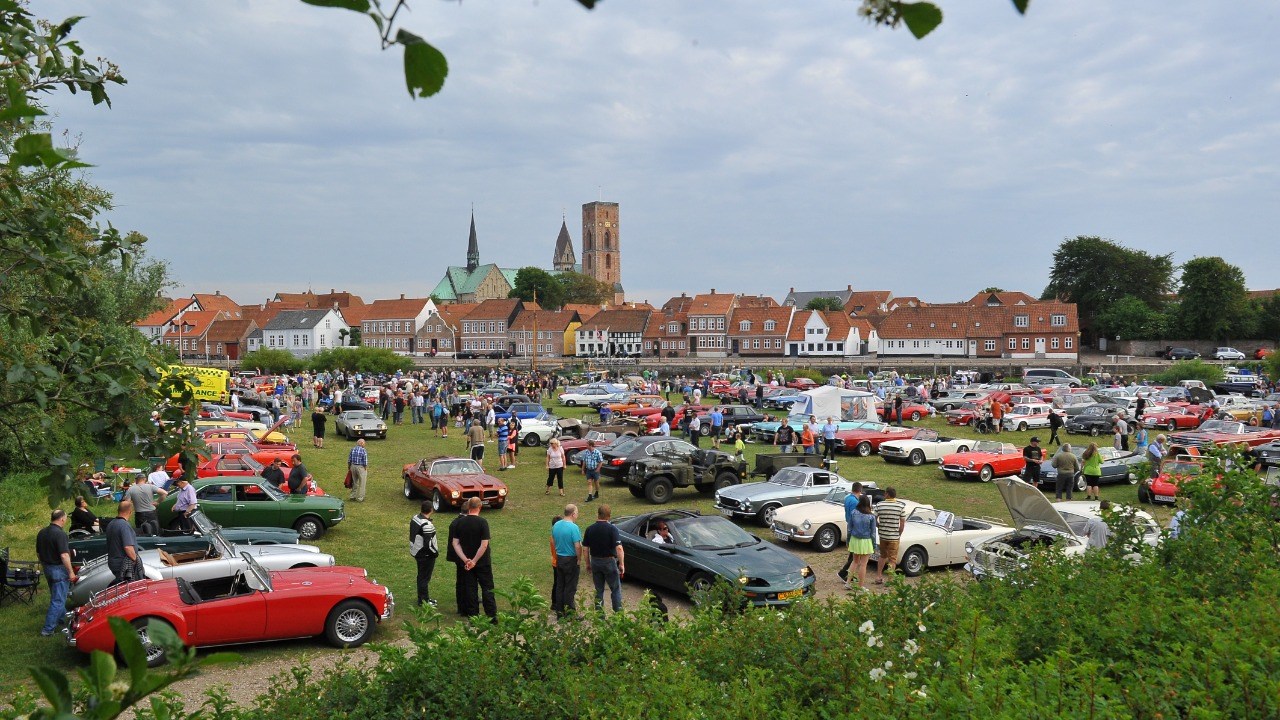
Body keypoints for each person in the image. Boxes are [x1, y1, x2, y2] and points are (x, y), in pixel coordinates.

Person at [450, 497, 497, 621]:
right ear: (480, 507)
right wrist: (474, 560)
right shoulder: (482, 522)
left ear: (469, 507)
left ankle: (473, 616)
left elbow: (455, 543)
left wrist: (466, 560)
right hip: (482, 562)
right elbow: (484, 544)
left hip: (466, 563)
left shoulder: (459, 522)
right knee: (487, 588)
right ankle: (491, 616)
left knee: (470, 589)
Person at [36, 509, 77, 636]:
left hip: (47, 567)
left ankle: (62, 620)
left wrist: (43, 564)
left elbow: (38, 553)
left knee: (59, 596)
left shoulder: (42, 532)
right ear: (62, 519)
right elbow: (64, 555)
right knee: (58, 600)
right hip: (58, 569)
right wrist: (70, 572)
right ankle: (48, 630)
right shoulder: (60, 534)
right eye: (65, 519)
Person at [581, 503, 625, 613]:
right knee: (615, 589)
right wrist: (621, 564)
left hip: (595, 561)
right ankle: (618, 613)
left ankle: (600, 615)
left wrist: (587, 564)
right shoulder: (612, 529)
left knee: (599, 590)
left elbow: (585, 549)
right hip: (609, 561)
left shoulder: (589, 529)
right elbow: (619, 548)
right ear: (609, 516)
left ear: (598, 514)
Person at [551, 504, 583, 618]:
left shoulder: (556, 525)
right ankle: (570, 613)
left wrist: (557, 552)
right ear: (573, 514)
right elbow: (577, 546)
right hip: (570, 559)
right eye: (577, 512)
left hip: (560, 558)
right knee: (570, 587)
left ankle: (559, 612)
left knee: (560, 585)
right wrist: (579, 559)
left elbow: (553, 541)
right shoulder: (574, 528)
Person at [845, 495, 879, 591]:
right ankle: (860, 586)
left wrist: (848, 540)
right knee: (863, 564)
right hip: (866, 541)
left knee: (854, 561)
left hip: (855, 539)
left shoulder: (853, 512)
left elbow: (849, 528)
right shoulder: (871, 516)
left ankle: (848, 582)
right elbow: (873, 532)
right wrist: (874, 544)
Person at [873, 487, 905, 584]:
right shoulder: (900, 507)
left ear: (887, 494)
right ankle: (890, 580)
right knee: (892, 559)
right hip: (894, 537)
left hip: (883, 536)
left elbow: (874, 518)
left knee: (882, 556)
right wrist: (899, 533)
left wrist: (879, 526)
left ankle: (878, 576)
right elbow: (902, 523)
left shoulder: (879, 505)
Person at [409, 501, 439, 606]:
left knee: (421, 576)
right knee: (424, 578)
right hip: (425, 555)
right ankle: (424, 601)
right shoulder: (427, 524)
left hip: (416, 551)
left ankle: (421, 599)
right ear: (431, 510)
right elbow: (428, 544)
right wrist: (435, 553)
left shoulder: (415, 518)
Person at [837, 482, 867, 582]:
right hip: (854, 528)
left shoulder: (847, 498)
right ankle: (844, 572)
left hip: (849, 525)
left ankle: (847, 573)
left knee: (853, 553)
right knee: (854, 554)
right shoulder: (855, 502)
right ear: (860, 490)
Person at [105, 500, 140, 586]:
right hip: (123, 564)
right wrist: (136, 560)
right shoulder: (124, 525)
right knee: (128, 587)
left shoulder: (111, 524)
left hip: (113, 561)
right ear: (130, 512)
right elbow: (128, 547)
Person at [125, 472, 167, 537]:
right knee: (155, 530)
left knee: (142, 533)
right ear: (145, 479)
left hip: (140, 514)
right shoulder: (150, 486)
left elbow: (127, 503)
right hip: (152, 513)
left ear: (136, 480)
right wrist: (157, 502)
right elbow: (164, 493)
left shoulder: (131, 489)